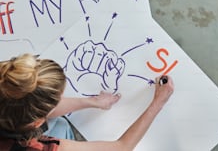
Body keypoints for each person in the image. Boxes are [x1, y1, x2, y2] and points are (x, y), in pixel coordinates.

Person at [0, 53, 174, 151]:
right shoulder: (37, 148)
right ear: (36, 122)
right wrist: (158, 103)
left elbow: (32, 105)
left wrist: (90, 102)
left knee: (60, 124)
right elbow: (122, 147)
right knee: (61, 127)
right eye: (57, 100)